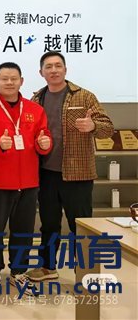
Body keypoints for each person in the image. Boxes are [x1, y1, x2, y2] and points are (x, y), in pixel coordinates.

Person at [27, 51, 114, 282]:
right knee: (48, 225)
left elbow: (108, 128)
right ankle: (47, 267)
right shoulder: (36, 99)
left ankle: (85, 273)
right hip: (46, 173)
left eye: (58, 65)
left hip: (78, 174)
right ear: (41, 72)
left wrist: (93, 126)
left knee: (82, 226)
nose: (54, 70)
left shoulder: (84, 96)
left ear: (65, 69)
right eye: (48, 66)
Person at [0, 62, 52, 296]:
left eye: (14, 78)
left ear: (21, 81)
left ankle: (19, 272)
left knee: (23, 230)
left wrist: (45, 144)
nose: (9, 82)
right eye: (4, 78)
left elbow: (44, 138)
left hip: (28, 182)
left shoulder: (35, 110)